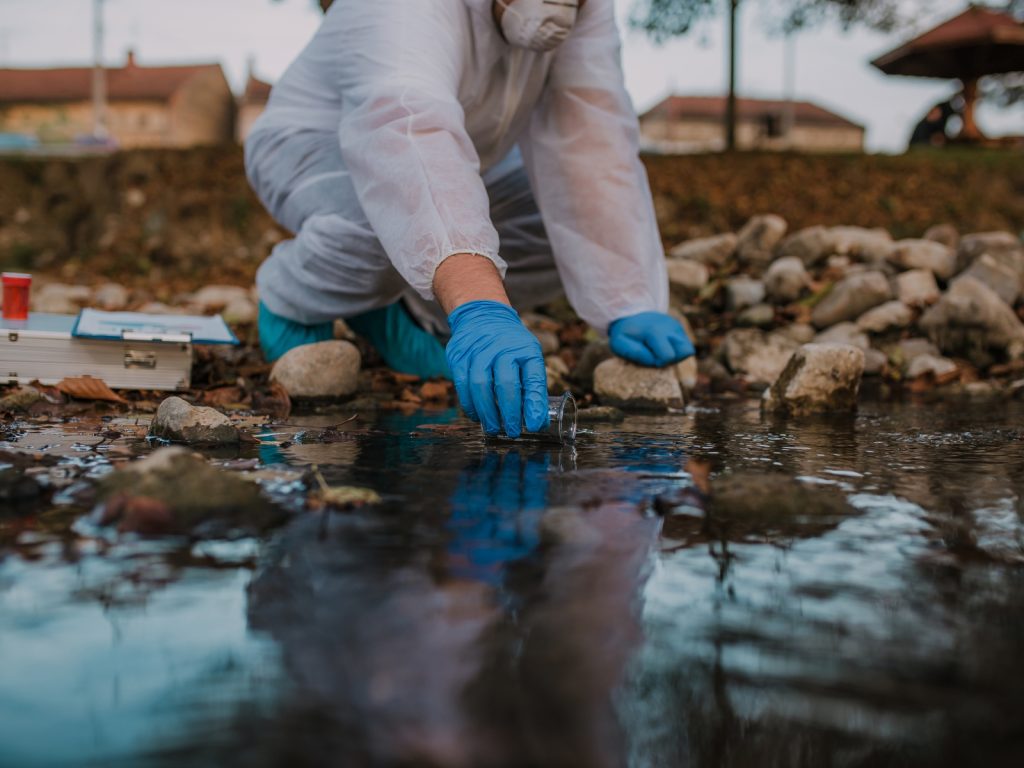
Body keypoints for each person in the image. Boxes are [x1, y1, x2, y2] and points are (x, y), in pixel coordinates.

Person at [246, 0, 694, 438]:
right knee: (388, 221)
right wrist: (480, 305)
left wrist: (627, 298)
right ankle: (293, 299)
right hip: (314, 147)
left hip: (466, 153)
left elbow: (589, 138)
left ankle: (403, 307)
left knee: (556, 227)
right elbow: (407, 135)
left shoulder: (588, 9)